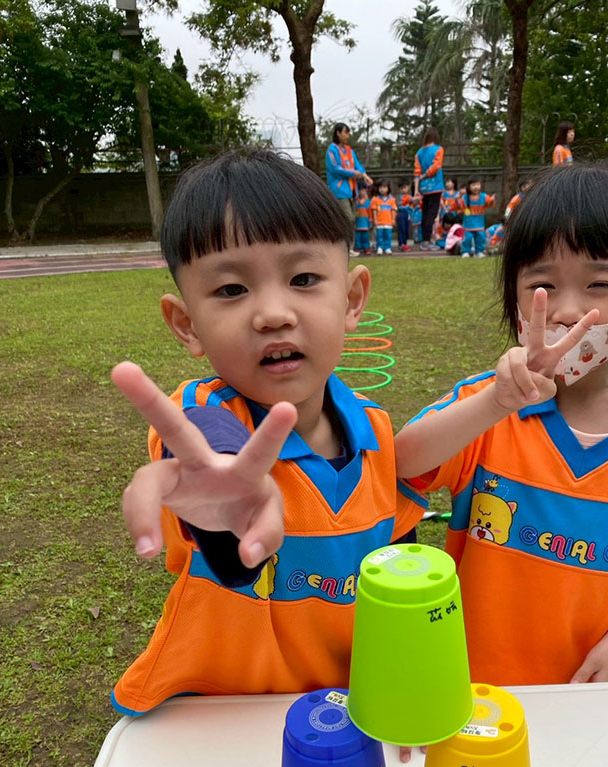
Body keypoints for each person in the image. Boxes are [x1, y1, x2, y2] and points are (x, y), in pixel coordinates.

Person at [395, 162, 608, 687]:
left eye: (599, 284)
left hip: (596, 692)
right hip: (478, 686)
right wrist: (495, 404)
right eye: (543, 285)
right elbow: (401, 462)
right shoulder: (486, 408)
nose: (568, 311)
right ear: (513, 297)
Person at [109, 150, 423, 716]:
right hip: (220, 716)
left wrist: (401, 691)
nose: (274, 313)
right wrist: (227, 505)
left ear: (352, 299)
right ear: (187, 325)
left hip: (346, 712)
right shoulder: (205, 417)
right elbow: (212, 460)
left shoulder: (375, 428)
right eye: (232, 290)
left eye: (303, 279)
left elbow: (400, 569)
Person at [325, 123, 373, 254]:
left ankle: (347, 247)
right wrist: (353, 173)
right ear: (338, 133)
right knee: (347, 217)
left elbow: (358, 166)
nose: (348, 135)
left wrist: (365, 176)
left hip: (351, 191)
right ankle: (341, 246)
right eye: (345, 132)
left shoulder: (350, 151)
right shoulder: (332, 150)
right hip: (339, 190)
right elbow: (335, 168)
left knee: (352, 219)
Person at [414, 127, 445, 249]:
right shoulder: (438, 149)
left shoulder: (419, 152)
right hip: (436, 186)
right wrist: (426, 175)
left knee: (425, 213)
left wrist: (417, 188)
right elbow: (436, 166)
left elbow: (417, 171)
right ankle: (428, 240)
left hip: (424, 187)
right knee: (432, 214)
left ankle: (425, 239)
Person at [458, 179, 496, 258]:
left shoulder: (484, 196)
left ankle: (479, 252)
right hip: (468, 224)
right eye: (473, 185)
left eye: (477, 184)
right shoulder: (465, 198)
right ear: (469, 187)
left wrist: (492, 200)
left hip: (479, 224)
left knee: (480, 238)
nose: (476, 187)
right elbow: (459, 206)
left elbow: (490, 204)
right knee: (467, 239)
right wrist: (457, 199)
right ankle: (465, 251)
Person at [370, 181, 397, 254]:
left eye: (384, 187)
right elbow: (374, 210)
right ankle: (380, 247)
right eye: (380, 187)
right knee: (379, 235)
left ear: (388, 188)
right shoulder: (375, 199)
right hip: (379, 222)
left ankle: (387, 247)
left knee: (388, 235)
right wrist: (375, 219)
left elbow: (393, 210)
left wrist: (393, 219)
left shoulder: (392, 199)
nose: (382, 189)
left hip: (388, 221)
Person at [354, 185, 372, 254]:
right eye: (361, 190)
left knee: (366, 237)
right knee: (358, 237)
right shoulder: (355, 202)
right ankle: (357, 247)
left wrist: (370, 221)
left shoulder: (368, 202)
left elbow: (370, 212)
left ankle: (366, 248)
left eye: (364, 190)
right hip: (358, 222)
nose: (362, 192)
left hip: (365, 222)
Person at [397, 181, 413, 251]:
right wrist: (408, 207)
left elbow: (413, 203)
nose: (403, 190)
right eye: (402, 188)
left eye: (405, 188)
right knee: (401, 229)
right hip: (401, 214)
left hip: (407, 215)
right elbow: (399, 207)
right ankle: (401, 244)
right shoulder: (399, 197)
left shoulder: (409, 196)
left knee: (406, 229)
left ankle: (405, 243)